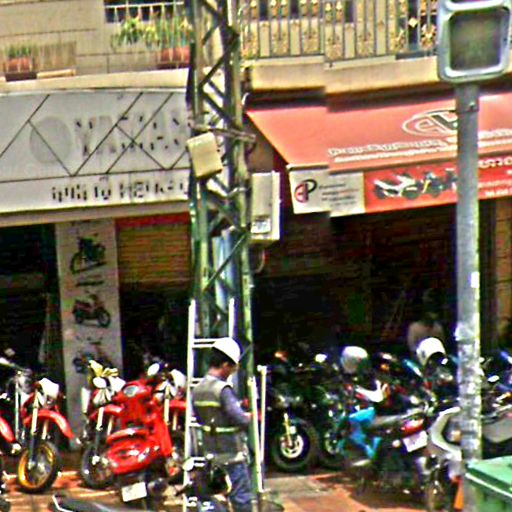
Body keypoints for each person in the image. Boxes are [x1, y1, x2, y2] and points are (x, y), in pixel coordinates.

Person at [192, 337, 254, 512]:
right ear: (225, 364)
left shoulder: (198, 388)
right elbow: (239, 418)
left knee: (215, 498)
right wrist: (251, 416)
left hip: (212, 455)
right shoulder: (222, 389)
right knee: (241, 499)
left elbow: (200, 418)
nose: (233, 371)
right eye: (233, 367)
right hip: (232, 454)